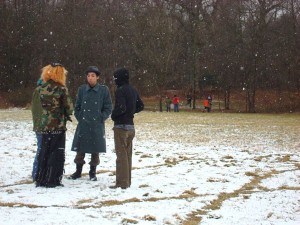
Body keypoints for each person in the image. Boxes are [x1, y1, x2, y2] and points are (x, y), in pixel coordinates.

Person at [70, 66, 112, 181]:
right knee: (80, 149)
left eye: (93, 76)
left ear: (97, 77)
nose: (90, 78)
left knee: (95, 150)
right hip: (83, 124)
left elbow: (108, 107)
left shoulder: (104, 90)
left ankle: (92, 172)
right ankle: (78, 171)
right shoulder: (82, 89)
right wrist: (80, 117)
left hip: (96, 125)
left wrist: (101, 118)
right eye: (88, 76)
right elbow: (77, 107)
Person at [35, 63, 73, 188]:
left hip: (44, 126)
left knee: (44, 152)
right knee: (56, 153)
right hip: (58, 126)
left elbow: (37, 107)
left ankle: (41, 177)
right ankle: (53, 179)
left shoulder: (41, 88)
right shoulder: (61, 89)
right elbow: (68, 108)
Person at [110, 68, 144, 189]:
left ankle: (122, 183)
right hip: (131, 127)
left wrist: (113, 115)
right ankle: (127, 181)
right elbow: (141, 106)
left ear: (119, 78)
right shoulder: (133, 90)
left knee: (121, 157)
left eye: (115, 78)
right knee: (127, 155)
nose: (114, 80)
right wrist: (131, 112)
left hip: (121, 127)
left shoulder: (120, 90)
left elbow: (121, 108)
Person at [31, 78, 43, 182]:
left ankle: (37, 172)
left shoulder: (37, 91)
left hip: (39, 126)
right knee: (41, 150)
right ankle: (37, 173)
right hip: (42, 127)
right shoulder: (41, 92)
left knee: (41, 149)